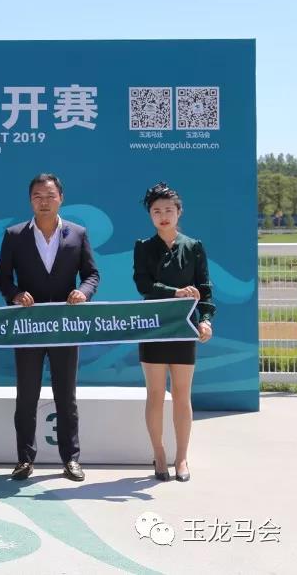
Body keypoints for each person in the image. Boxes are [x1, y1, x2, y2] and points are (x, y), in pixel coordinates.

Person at [0, 174, 99, 482]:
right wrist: (15, 294)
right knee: (27, 395)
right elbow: (2, 277)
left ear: (60, 198)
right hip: (28, 327)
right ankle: (25, 459)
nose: (44, 201)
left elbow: (92, 275)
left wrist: (84, 292)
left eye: (50, 195)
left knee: (66, 396)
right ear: (30, 200)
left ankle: (71, 459)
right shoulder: (14, 235)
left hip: (65, 326)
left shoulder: (77, 233)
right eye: (38, 196)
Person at [134, 182, 215, 483]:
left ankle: (182, 458)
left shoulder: (193, 247)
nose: (163, 216)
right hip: (153, 326)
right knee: (155, 394)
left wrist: (205, 320)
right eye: (157, 211)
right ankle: (159, 454)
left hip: (184, 327)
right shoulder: (143, 247)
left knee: (182, 394)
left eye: (169, 210)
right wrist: (176, 292)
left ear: (179, 212)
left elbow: (205, 289)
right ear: (150, 215)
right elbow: (144, 285)